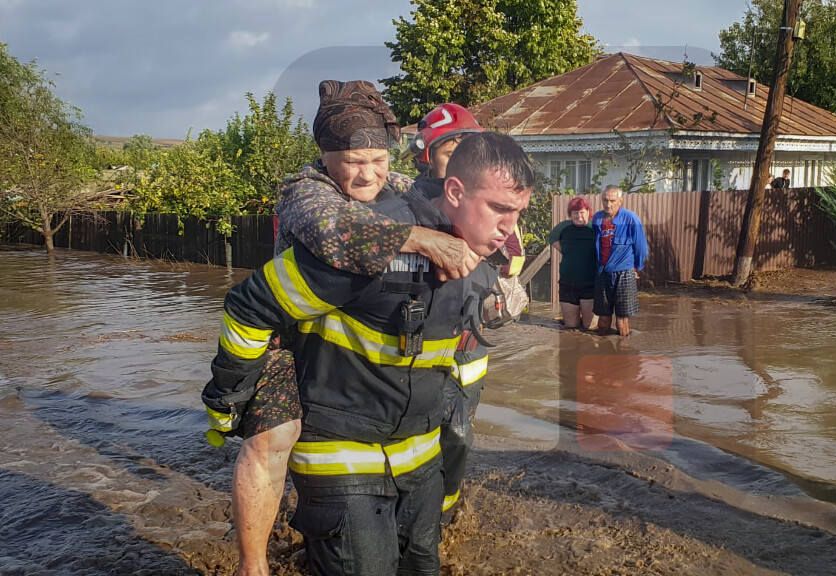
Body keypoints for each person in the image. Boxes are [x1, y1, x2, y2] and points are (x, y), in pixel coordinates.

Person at [204, 131, 534, 576]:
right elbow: (249, 305)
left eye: (517, 213)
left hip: (418, 458)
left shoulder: (477, 251)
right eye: (500, 209)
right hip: (343, 458)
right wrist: (230, 395)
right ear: (455, 191)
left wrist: (496, 306)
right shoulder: (370, 243)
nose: (509, 229)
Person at [405, 103, 527, 524]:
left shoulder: (494, 201)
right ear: (427, 154)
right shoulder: (407, 203)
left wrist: (503, 290)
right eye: (448, 146)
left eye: (465, 145)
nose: (458, 153)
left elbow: (512, 258)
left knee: (457, 434)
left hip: (468, 345)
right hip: (420, 339)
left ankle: (445, 507)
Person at [592, 185, 648, 337]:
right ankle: (601, 352)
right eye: (605, 200)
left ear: (620, 201)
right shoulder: (597, 218)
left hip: (624, 273)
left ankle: (623, 353)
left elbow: (641, 248)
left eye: (612, 200)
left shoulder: (631, 218)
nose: (608, 204)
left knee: (621, 321)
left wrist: (636, 269)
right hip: (603, 273)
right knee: (603, 319)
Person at [548, 196, 597, 330]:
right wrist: (566, 251)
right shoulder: (564, 227)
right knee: (570, 326)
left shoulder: (595, 227)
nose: (579, 216)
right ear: (570, 214)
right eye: (575, 213)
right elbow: (552, 238)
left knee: (590, 327)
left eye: (582, 212)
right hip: (568, 283)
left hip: (591, 283)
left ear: (588, 212)